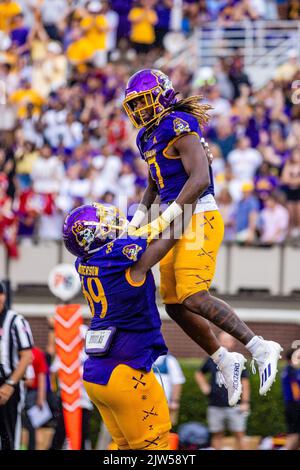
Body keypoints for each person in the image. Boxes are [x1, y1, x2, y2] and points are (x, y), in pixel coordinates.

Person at [123, 68, 282, 406]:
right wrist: (140, 217)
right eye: (134, 105)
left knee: (194, 294)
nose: (139, 110)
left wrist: (165, 217)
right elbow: (156, 181)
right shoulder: (146, 136)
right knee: (175, 303)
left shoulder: (177, 123)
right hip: (174, 215)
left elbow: (198, 179)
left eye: (143, 101)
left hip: (197, 212)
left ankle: (259, 347)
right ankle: (225, 359)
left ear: (162, 96)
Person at [62, 201, 196, 450]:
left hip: (96, 376)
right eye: (106, 224)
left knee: (125, 450)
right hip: (126, 372)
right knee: (156, 448)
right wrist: (190, 199)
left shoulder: (86, 263)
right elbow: (170, 236)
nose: (114, 224)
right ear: (96, 235)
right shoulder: (125, 262)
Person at [195, 332, 250, 450]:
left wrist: (245, 402)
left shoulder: (238, 359)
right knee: (217, 434)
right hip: (215, 404)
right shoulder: (212, 359)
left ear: (233, 343)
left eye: (227, 340)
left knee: (239, 434)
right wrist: (205, 387)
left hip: (235, 405)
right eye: (222, 340)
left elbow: (245, 382)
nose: (224, 343)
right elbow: (199, 373)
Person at [0, 281, 33, 449]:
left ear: (3, 296)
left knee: (9, 435)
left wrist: (10, 384)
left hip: (8, 384)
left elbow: (27, 356)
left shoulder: (15, 321)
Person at [153, 353, 185, 426]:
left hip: (164, 405)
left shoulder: (170, 360)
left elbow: (177, 382)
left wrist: (175, 401)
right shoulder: (141, 358)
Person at [281, 348, 300, 450]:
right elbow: (296, 393)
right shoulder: (290, 371)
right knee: (294, 434)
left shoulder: (291, 370)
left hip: (292, 405)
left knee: (294, 435)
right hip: (294, 406)